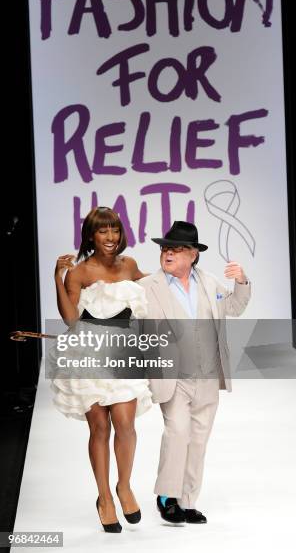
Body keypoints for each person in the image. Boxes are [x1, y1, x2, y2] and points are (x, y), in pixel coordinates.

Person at [138, 221, 251, 525]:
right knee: (177, 433)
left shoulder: (210, 283)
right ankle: (167, 496)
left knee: (198, 439)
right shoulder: (147, 288)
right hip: (173, 377)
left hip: (208, 376)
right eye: (165, 248)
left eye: (175, 249)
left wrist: (242, 281)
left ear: (192, 255)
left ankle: (188, 501)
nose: (167, 253)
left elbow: (235, 307)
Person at [51, 206, 152, 533]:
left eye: (115, 231)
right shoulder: (80, 272)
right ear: (91, 235)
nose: (110, 237)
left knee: (125, 424)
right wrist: (59, 279)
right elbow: (69, 319)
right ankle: (104, 497)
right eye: (103, 231)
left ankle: (124, 486)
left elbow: (153, 290)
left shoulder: (130, 264)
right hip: (89, 355)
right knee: (100, 428)